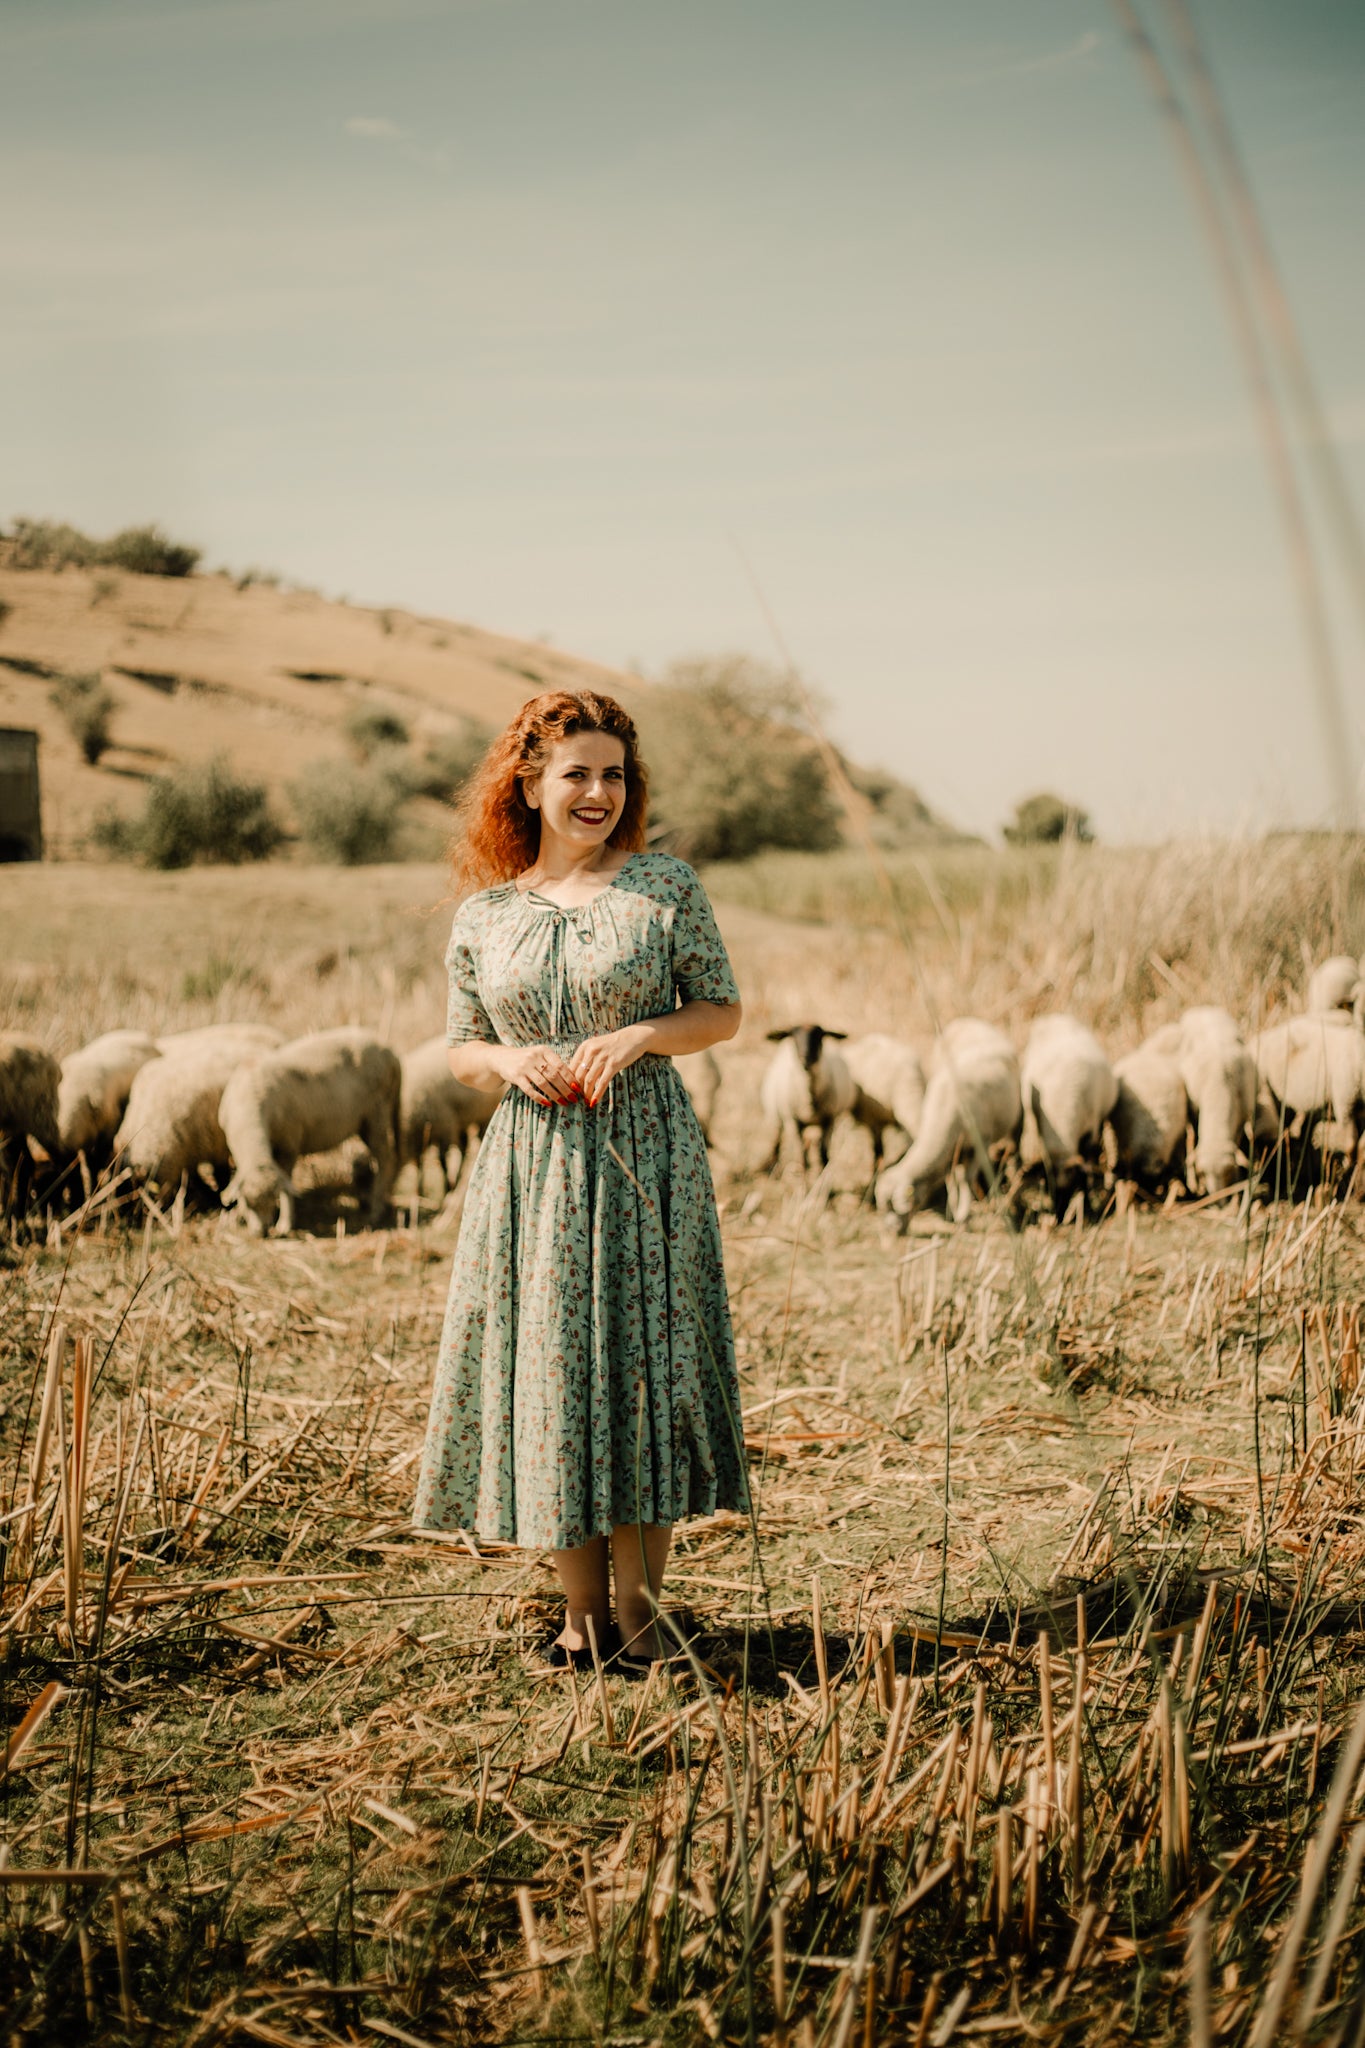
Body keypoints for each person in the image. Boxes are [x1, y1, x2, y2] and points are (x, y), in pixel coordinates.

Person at [412, 689, 748, 1667]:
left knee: (643, 1369)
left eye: (614, 773)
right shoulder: (486, 913)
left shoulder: (664, 887)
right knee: (554, 1374)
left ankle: (643, 1614)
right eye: (577, 772)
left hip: (645, 1155)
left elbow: (720, 1008)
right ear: (528, 782)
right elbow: (461, 1046)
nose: (598, 791)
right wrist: (507, 1063)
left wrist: (643, 1033)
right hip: (534, 1165)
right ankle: (580, 1615)